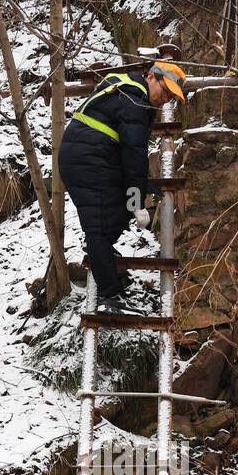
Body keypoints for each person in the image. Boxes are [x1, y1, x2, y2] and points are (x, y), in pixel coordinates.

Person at [57, 60, 187, 314]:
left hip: (88, 157)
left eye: (172, 96)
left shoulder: (127, 88)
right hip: (89, 161)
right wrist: (137, 200)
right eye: (166, 90)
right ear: (151, 76)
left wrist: (139, 189)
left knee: (112, 215)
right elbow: (133, 153)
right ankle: (108, 297)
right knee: (99, 227)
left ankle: (104, 260)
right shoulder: (136, 99)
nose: (166, 99)